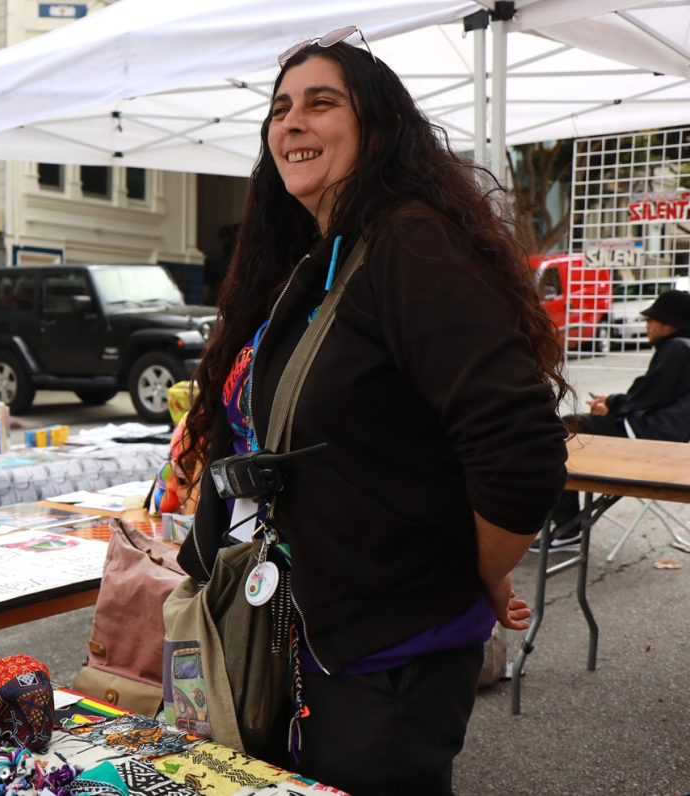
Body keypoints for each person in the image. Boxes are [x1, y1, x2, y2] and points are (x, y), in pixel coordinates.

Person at [174, 30, 568, 795]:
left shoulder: (411, 245)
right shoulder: (322, 258)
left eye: (322, 104)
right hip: (311, 630)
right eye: (281, 108)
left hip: (389, 646)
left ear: (377, 127)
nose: (292, 122)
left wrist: (484, 570)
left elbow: (518, 443)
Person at [544, 289, 690, 548]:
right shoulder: (681, 346)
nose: (647, 325)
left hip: (649, 434)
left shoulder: (678, 347)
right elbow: (652, 395)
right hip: (662, 431)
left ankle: (567, 529)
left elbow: (650, 394)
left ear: (669, 324)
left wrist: (612, 404)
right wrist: (612, 404)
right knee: (575, 428)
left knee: (564, 430)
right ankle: (567, 522)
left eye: (650, 320)